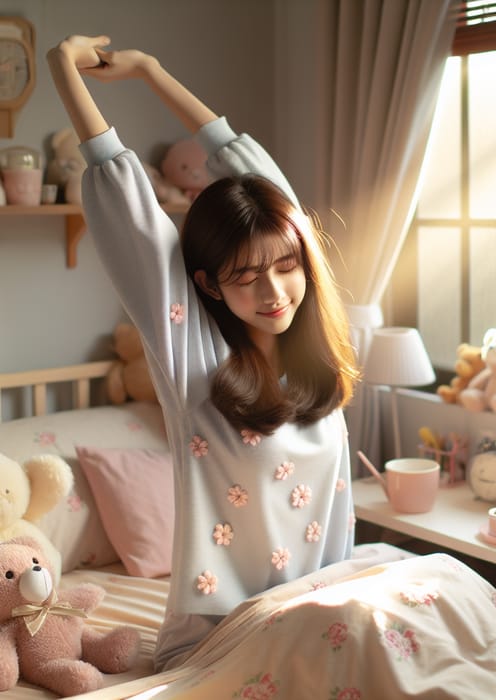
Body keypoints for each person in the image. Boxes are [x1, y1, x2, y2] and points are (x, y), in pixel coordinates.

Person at [47, 35, 361, 671]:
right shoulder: (191, 356)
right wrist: (61, 68)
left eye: (286, 266)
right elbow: (129, 209)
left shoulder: (313, 349)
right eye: (245, 278)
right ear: (208, 285)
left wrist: (154, 74)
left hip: (328, 610)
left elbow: (267, 187)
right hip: (229, 638)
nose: (274, 293)